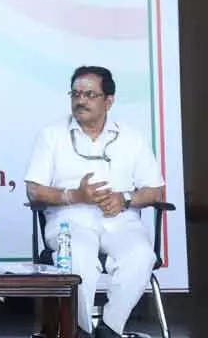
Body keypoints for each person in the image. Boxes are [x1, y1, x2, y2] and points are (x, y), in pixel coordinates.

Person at [25, 66, 165, 338]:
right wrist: (75, 196)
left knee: (141, 255)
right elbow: (34, 191)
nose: (81, 100)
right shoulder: (51, 135)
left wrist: (125, 199)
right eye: (76, 94)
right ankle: (81, 330)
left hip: (119, 219)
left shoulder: (131, 137)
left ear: (108, 101)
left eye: (90, 94)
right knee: (79, 256)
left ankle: (111, 329)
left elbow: (156, 191)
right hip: (69, 221)